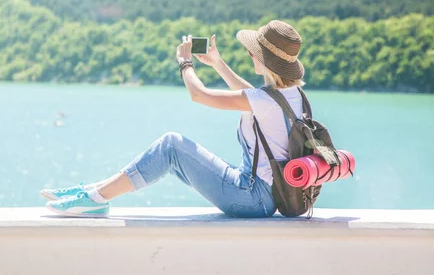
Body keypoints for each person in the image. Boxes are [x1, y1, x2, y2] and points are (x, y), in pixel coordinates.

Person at [41, 20, 307, 218]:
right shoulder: (293, 95)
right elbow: (251, 97)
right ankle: (91, 192)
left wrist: (185, 63)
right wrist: (216, 62)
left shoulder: (266, 100)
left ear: (262, 58)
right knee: (173, 153)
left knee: (171, 146)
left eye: (253, 51)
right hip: (263, 194)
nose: (250, 55)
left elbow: (199, 95)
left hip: (252, 197)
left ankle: (95, 199)